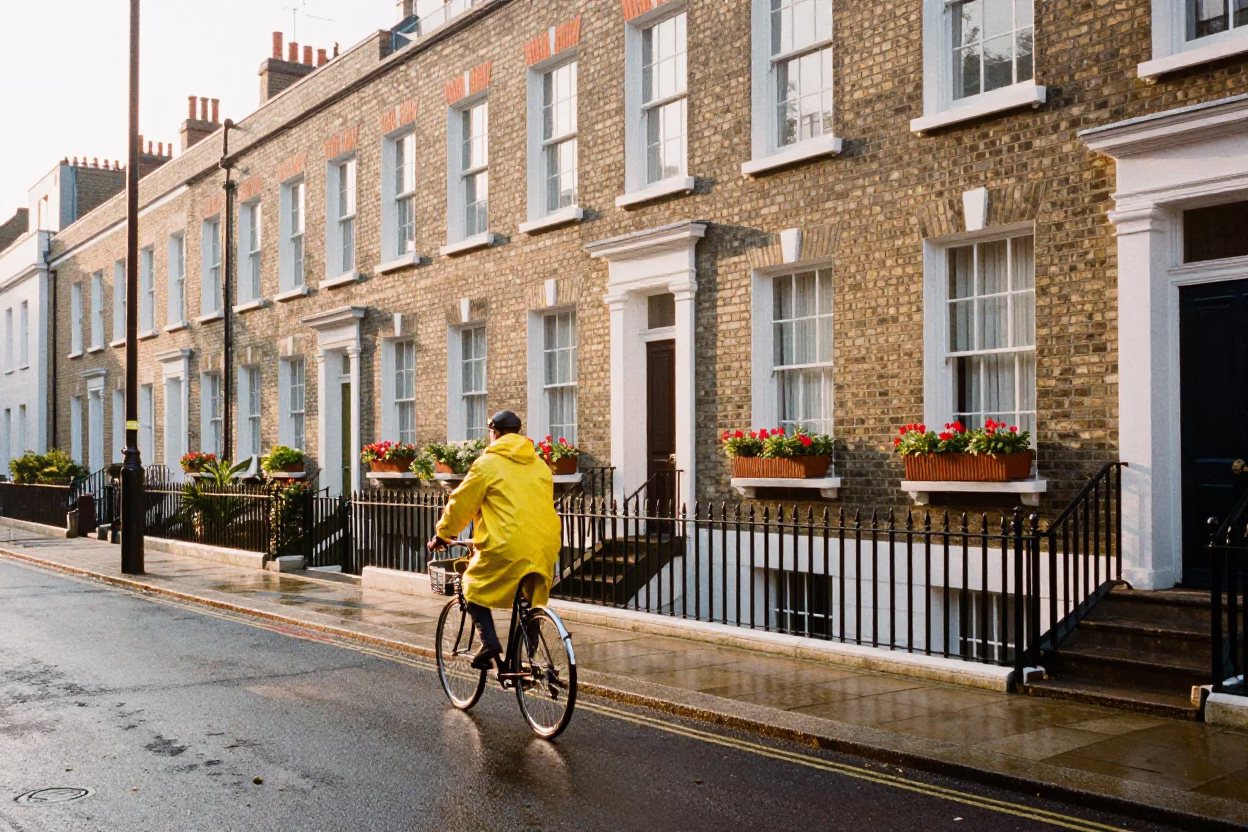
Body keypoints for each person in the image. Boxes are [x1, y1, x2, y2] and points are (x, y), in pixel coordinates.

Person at [427, 411, 561, 670]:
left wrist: (444, 534)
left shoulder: (487, 464)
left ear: (495, 433)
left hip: (505, 545)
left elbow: (461, 504)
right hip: (545, 544)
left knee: (471, 586)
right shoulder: (540, 465)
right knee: (529, 597)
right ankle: (529, 651)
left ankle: (490, 643)